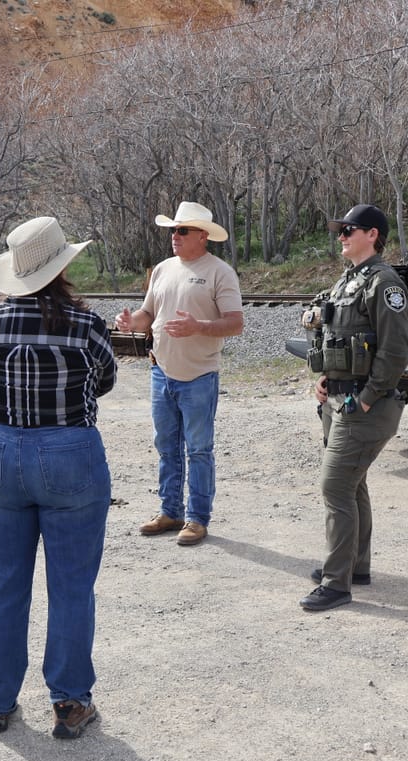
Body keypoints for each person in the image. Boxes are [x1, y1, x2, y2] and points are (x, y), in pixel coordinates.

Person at [0, 216, 117, 738]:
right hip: (68, 450)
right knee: (72, 584)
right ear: (62, 267)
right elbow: (104, 381)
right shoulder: (86, 324)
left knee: (1, 581)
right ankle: (70, 700)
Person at [300, 204, 408, 612]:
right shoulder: (349, 281)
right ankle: (355, 567)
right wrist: (326, 378)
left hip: (363, 406)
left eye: (350, 229)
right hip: (338, 399)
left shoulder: (385, 283)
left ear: (373, 235)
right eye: (340, 229)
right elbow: (340, 337)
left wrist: (365, 398)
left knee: (336, 487)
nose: (342, 235)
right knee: (353, 484)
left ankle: (336, 583)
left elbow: (396, 352)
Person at [115, 201, 243, 546]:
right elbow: (148, 314)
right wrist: (131, 323)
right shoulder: (162, 269)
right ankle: (170, 511)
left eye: (182, 230)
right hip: (161, 373)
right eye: (173, 229)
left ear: (203, 236)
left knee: (199, 450)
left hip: (200, 376)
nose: (175, 235)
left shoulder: (220, 272)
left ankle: (197, 519)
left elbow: (235, 323)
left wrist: (197, 327)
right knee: (166, 447)